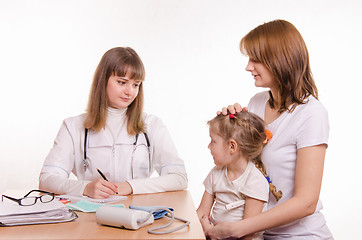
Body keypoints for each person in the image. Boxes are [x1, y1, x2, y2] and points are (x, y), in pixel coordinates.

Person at [206, 20, 333, 239]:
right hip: (259, 235)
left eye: (256, 59)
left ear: (280, 60)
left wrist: (240, 228)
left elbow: (307, 202)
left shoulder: (311, 114)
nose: (248, 67)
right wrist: (228, 129)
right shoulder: (256, 103)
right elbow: (242, 167)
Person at [39, 47, 188, 199]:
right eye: (122, 82)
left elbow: (179, 178)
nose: (130, 92)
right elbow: (47, 179)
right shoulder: (73, 127)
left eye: (136, 84)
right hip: (90, 216)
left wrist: (130, 186)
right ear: (103, 80)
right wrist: (84, 188)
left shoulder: (152, 125)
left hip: (137, 214)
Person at [197, 112, 282, 240]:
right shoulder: (216, 173)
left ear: (232, 146)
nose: (209, 146)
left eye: (213, 141)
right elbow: (201, 213)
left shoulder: (255, 181)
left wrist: (208, 228)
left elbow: (247, 233)